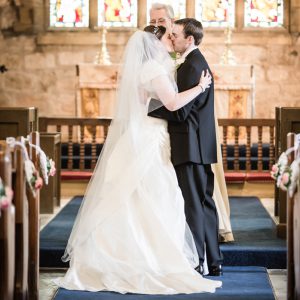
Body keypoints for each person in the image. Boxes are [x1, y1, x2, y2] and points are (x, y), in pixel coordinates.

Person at [55, 26, 222, 294]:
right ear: (154, 44)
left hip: (145, 132)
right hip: (152, 137)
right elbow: (172, 104)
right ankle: (149, 256)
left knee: (140, 194)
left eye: (173, 36)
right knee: (155, 194)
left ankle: (132, 251)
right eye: (167, 37)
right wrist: (200, 87)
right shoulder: (154, 70)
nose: (170, 40)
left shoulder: (146, 69)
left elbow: (147, 102)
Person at [150, 2, 234, 243]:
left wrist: (149, 109)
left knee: (194, 202)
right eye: (153, 22)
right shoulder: (189, 61)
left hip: (190, 143)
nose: (169, 36)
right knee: (200, 201)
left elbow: (179, 110)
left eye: (163, 24)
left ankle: (200, 257)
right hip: (193, 142)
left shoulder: (189, 64)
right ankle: (210, 258)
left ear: (187, 38)